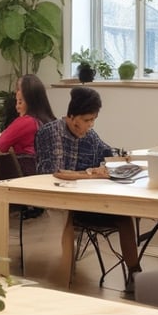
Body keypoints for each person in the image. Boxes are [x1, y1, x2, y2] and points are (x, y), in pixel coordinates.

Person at [35, 86, 141, 285]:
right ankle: (65, 277)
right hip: (58, 200)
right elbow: (55, 173)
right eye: (86, 120)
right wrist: (91, 175)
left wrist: (128, 158)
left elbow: (107, 151)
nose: (90, 125)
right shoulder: (52, 133)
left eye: (93, 120)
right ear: (72, 116)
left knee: (124, 216)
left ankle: (135, 273)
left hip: (85, 200)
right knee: (69, 219)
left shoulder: (90, 136)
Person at [0, 74, 56, 175]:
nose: (16, 92)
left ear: (29, 97)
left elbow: (2, 144)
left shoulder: (26, 121)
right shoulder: (51, 121)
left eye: (18, 89)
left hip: (29, 175)